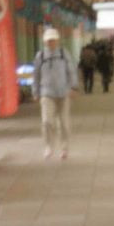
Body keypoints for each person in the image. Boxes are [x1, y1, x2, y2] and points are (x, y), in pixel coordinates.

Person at [35, 28, 75, 160]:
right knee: (47, 121)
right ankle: (48, 146)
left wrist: (73, 86)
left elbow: (71, 71)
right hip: (46, 93)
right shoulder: (40, 56)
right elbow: (36, 75)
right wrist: (35, 91)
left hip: (63, 93)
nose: (51, 42)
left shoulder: (64, 54)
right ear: (44, 42)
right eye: (48, 40)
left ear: (57, 40)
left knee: (64, 122)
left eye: (53, 40)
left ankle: (64, 148)